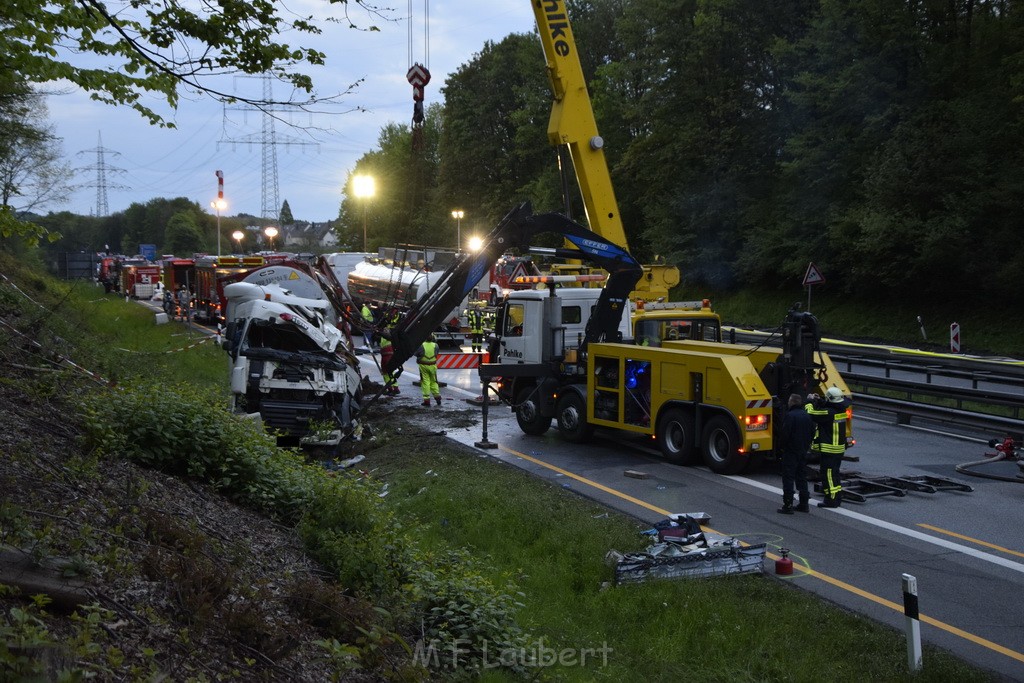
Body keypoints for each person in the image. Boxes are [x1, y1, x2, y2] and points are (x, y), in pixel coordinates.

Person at [805, 386, 851, 508]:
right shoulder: (840, 409)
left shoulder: (829, 413)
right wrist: (820, 400)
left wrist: (809, 401)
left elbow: (810, 413)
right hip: (838, 449)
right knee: (834, 475)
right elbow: (829, 405)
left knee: (828, 476)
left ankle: (830, 500)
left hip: (830, 450)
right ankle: (836, 498)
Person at [777, 393, 816, 514]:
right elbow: (812, 432)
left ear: (792, 402)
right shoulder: (807, 416)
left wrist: (781, 447)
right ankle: (804, 504)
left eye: (789, 401)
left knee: (788, 477)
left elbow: (785, 434)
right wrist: (806, 445)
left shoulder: (790, 416)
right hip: (803, 451)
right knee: (801, 477)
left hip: (791, 451)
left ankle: (788, 505)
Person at [415, 334, 441, 407]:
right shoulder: (435, 345)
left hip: (423, 366)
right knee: (434, 381)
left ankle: (426, 400)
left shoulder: (421, 345)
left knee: (425, 382)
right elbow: (437, 353)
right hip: (433, 365)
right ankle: (437, 397)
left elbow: (416, 354)